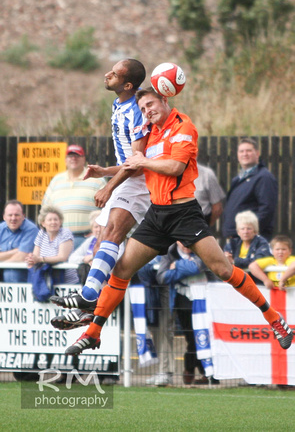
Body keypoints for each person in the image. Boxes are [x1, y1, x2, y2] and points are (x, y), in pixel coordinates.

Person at [60, 87, 293, 356]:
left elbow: (174, 167)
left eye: (150, 104)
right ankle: (93, 333)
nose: (147, 111)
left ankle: (275, 319)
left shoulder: (184, 125)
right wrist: (107, 172)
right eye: (143, 108)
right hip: (157, 215)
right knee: (121, 270)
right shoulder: (151, 133)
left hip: (184, 214)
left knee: (223, 269)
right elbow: (136, 166)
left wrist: (143, 161)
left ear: (165, 99)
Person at [50, 58, 151, 327]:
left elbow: (138, 162)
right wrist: (104, 171)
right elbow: (129, 160)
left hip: (140, 183)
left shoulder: (137, 110)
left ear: (128, 84)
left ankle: (90, 298)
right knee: (104, 240)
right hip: (129, 178)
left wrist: (109, 185)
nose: (107, 75)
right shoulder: (118, 106)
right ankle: (89, 306)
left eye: (115, 74)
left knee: (114, 234)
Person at [157, 241, 218, 385]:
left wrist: (177, 266)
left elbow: (199, 266)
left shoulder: (203, 248)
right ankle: (198, 371)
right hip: (183, 302)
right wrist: (187, 268)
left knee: (206, 336)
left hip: (205, 300)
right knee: (192, 338)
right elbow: (162, 277)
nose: (185, 244)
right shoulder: (169, 252)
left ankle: (196, 370)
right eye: (181, 241)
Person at [42, 144, 106, 249]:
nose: (73, 158)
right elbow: (46, 209)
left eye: (77, 155)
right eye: (70, 156)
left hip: (87, 238)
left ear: (83, 159)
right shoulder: (56, 180)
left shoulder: (97, 180)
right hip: (59, 238)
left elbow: (107, 209)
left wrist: (98, 232)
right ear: (65, 160)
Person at [222, 138, 278, 241]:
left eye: (249, 150)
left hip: (252, 239)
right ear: (238, 155)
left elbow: (267, 209)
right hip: (236, 237)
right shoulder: (238, 179)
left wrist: (249, 232)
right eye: (241, 151)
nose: (245, 154)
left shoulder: (264, 177)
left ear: (257, 153)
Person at [134, 256, 174, 387]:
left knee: (164, 330)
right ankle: (161, 370)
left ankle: (166, 371)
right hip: (147, 287)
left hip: (164, 286)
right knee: (156, 330)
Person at [26, 205, 79, 284]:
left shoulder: (65, 233)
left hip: (66, 281)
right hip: (45, 278)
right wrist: (31, 259)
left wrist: (40, 259)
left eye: (56, 219)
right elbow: (35, 256)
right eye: (50, 220)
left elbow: (62, 257)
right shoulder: (41, 234)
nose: (53, 222)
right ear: (43, 223)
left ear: (60, 222)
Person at [224, 210, 271, 284]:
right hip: (235, 283)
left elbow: (257, 261)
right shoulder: (233, 243)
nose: (245, 231)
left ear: (255, 231)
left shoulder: (262, 243)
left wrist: (234, 261)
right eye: (242, 229)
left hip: (257, 284)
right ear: (238, 232)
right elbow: (225, 261)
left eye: (249, 228)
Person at [0, 199, 38, 282]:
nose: (13, 218)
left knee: (11, 273)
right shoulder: (0, 228)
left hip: (24, 270)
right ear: (4, 216)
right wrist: (15, 251)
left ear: (23, 216)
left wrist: (2, 264)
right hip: (4, 267)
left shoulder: (31, 229)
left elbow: (21, 257)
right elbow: (19, 253)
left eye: (17, 215)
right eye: (10, 215)